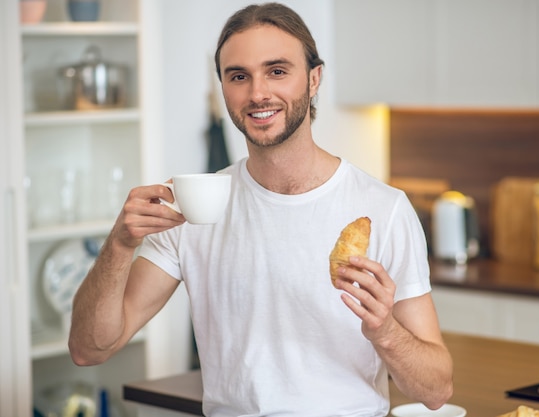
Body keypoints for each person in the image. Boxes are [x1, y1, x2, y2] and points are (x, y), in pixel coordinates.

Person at [68, 3, 453, 415]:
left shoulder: (383, 209)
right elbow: (89, 349)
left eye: (277, 71)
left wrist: (385, 331)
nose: (257, 93)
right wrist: (121, 245)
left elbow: (435, 391)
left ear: (314, 78)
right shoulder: (194, 210)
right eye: (239, 76)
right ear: (224, 88)